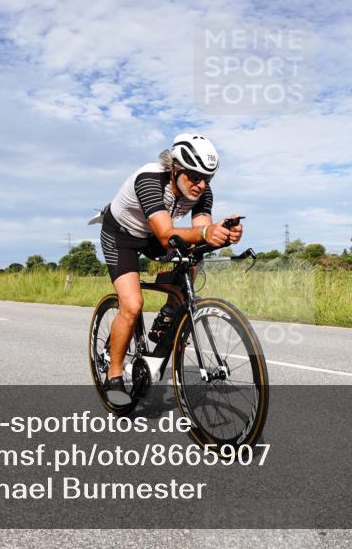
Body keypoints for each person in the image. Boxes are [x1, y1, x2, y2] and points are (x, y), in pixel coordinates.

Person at [98, 133, 243, 405]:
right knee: (131, 305)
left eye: (207, 179)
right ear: (174, 168)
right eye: (194, 177)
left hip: (152, 236)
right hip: (121, 236)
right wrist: (205, 233)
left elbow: (201, 232)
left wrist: (223, 234)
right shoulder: (150, 180)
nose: (201, 185)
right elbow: (167, 235)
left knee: (192, 255)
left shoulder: (202, 190)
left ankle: (169, 311)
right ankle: (114, 374)